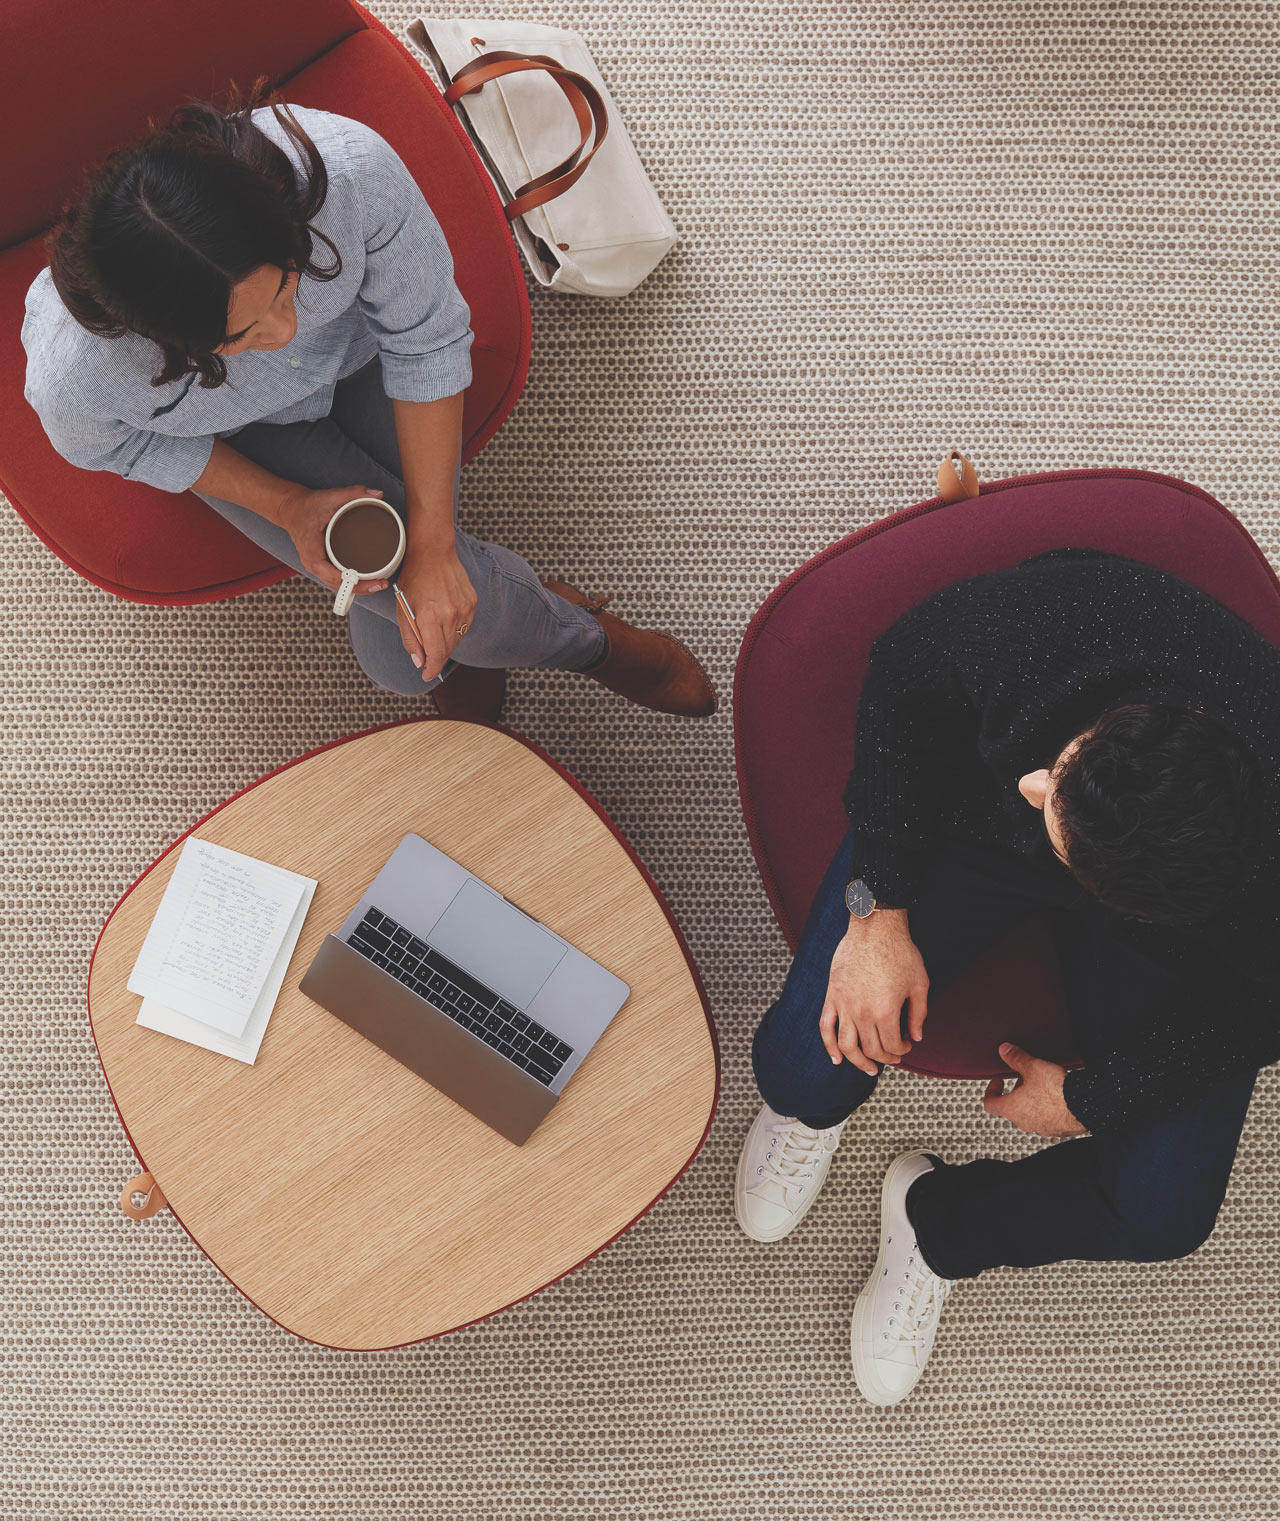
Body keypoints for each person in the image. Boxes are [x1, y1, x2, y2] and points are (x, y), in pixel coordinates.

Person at [735, 546, 1280, 1406]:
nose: (1034, 780)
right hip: (970, 826)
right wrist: (878, 912)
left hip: (1161, 934)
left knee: (1165, 1211)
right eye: (1060, 768)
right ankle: (810, 1115)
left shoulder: (1242, 900)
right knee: (800, 1067)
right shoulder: (1062, 627)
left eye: (1052, 800)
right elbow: (903, 678)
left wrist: (1099, 1098)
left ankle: (933, 1225)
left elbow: (1262, 1009)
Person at [20, 79, 715, 723]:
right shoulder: (78, 373)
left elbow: (426, 339)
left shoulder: (348, 173)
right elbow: (121, 444)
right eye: (241, 335)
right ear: (159, 338)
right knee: (408, 661)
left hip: (366, 361)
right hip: (247, 432)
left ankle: (596, 647)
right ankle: (559, 630)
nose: (286, 330)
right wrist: (283, 504)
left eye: (289, 287)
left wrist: (437, 547)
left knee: (413, 647)